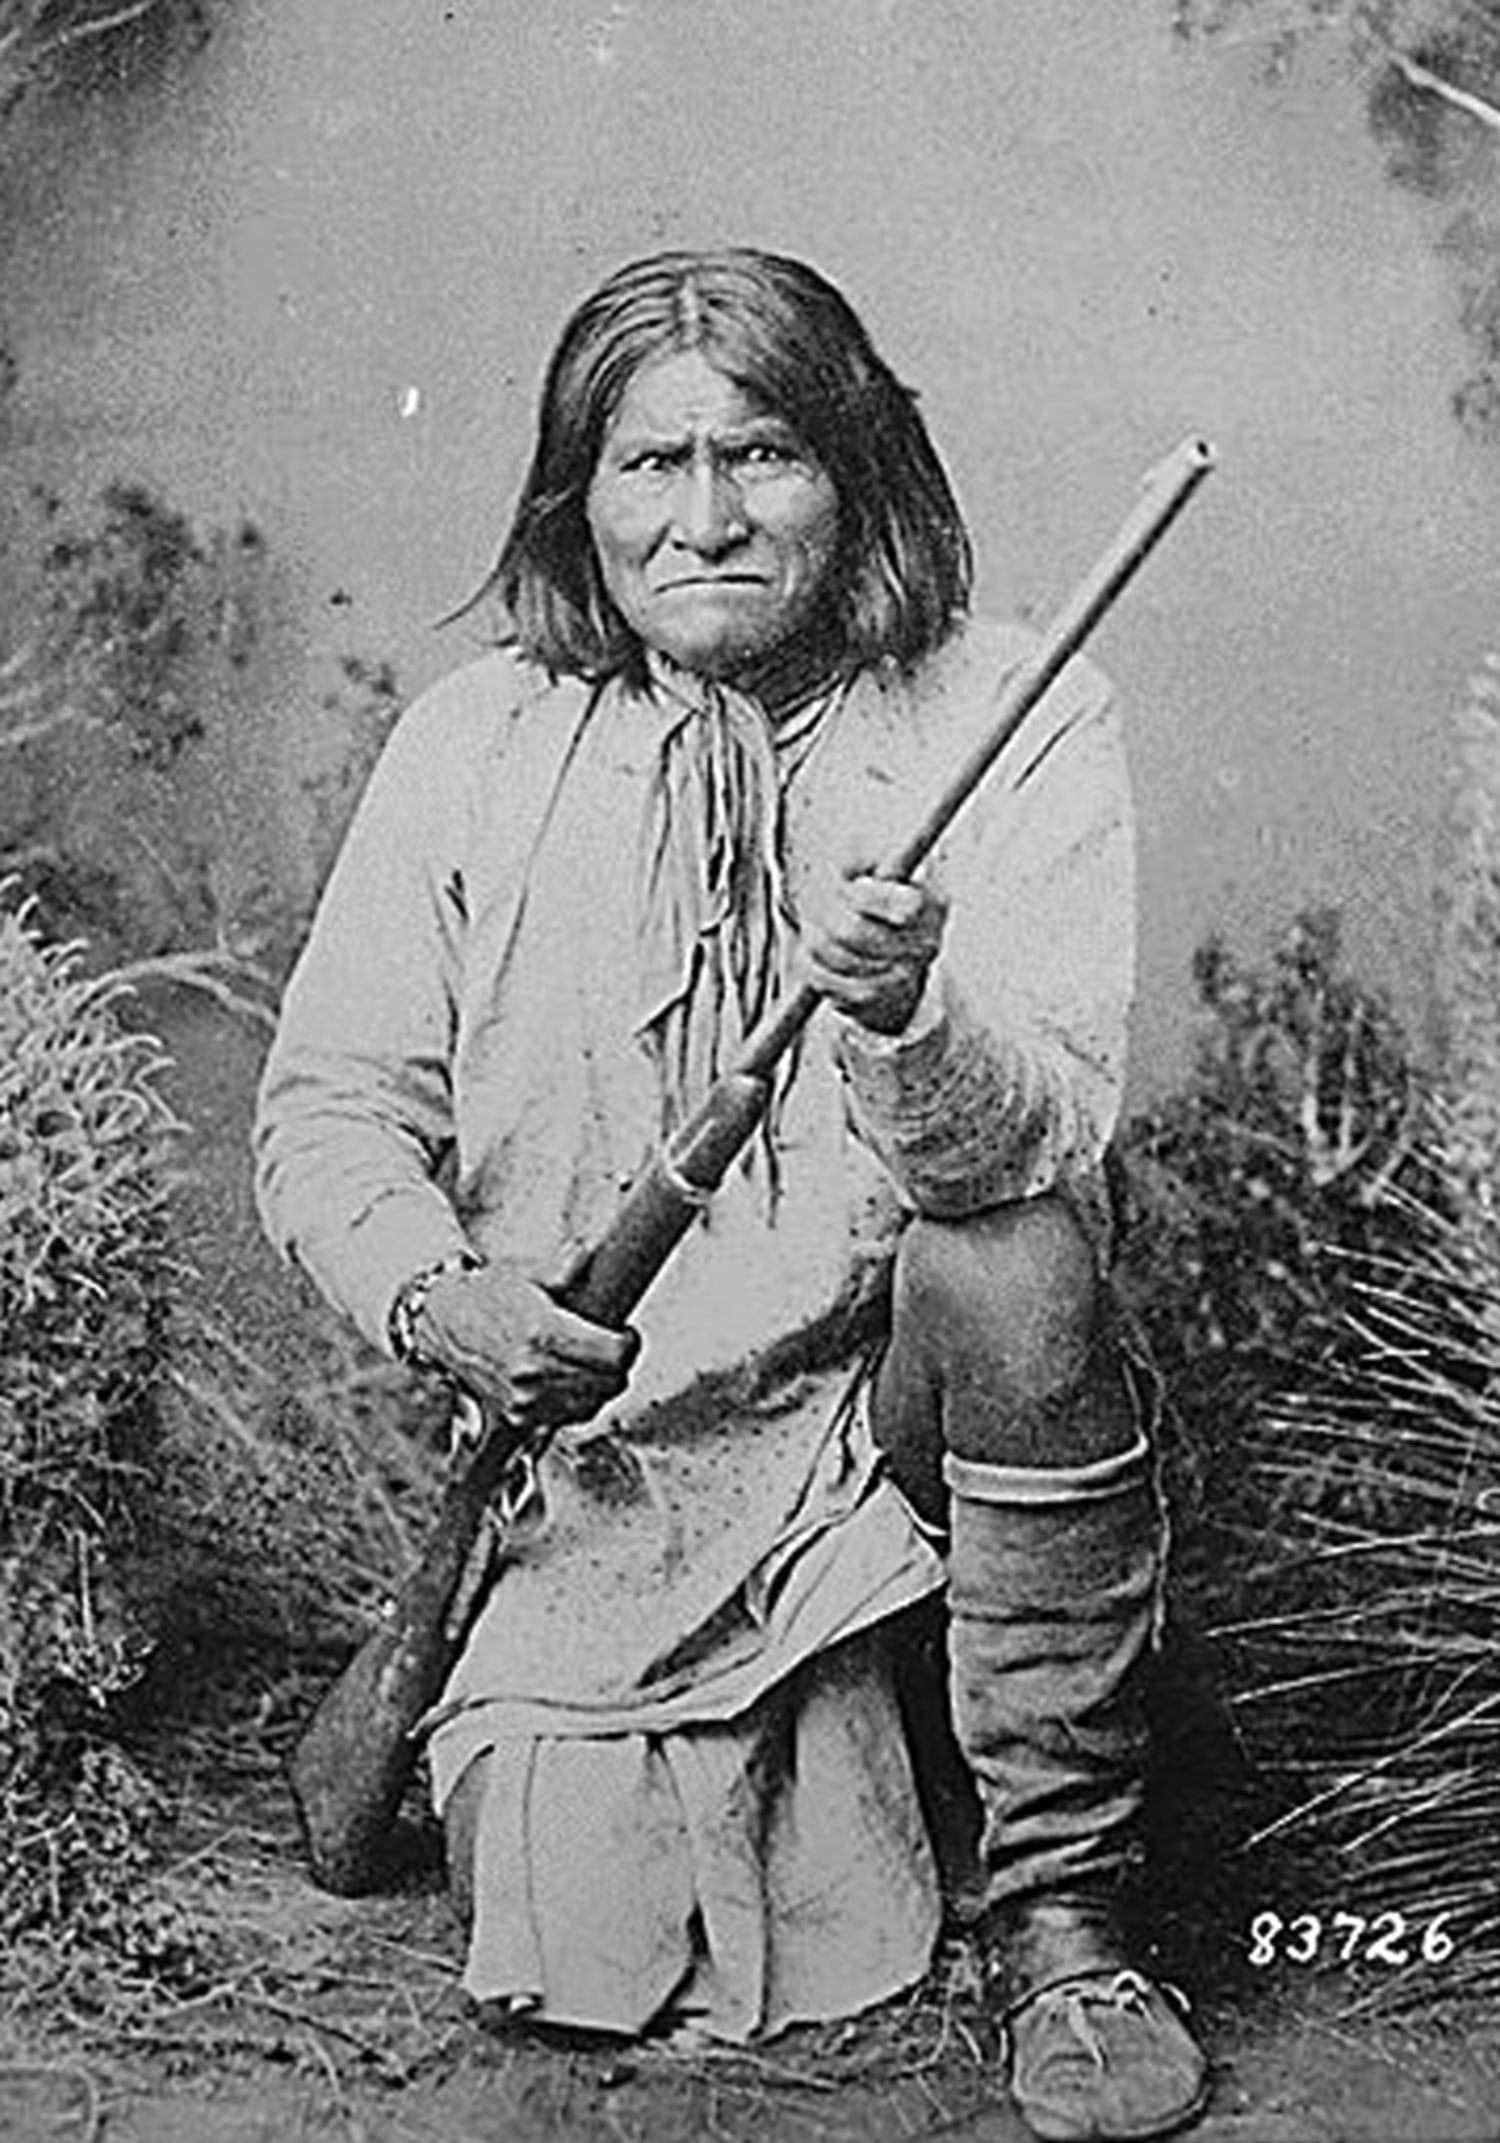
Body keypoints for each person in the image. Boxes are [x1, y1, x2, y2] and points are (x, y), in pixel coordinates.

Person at [253, 247, 1209, 2143]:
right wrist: (450, 1307)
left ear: (855, 471)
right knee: (588, 1944)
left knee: (1019, 1263)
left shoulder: (1018, 714)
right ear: (576, 499)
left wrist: (910, 1011)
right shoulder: (475, 743)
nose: (704, 515)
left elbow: (1030, 1150)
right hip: (594, 1480)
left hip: (889, 1446)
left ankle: (1070, 1922)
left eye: (762, 452)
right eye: (649, 462)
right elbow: (330, 1112)